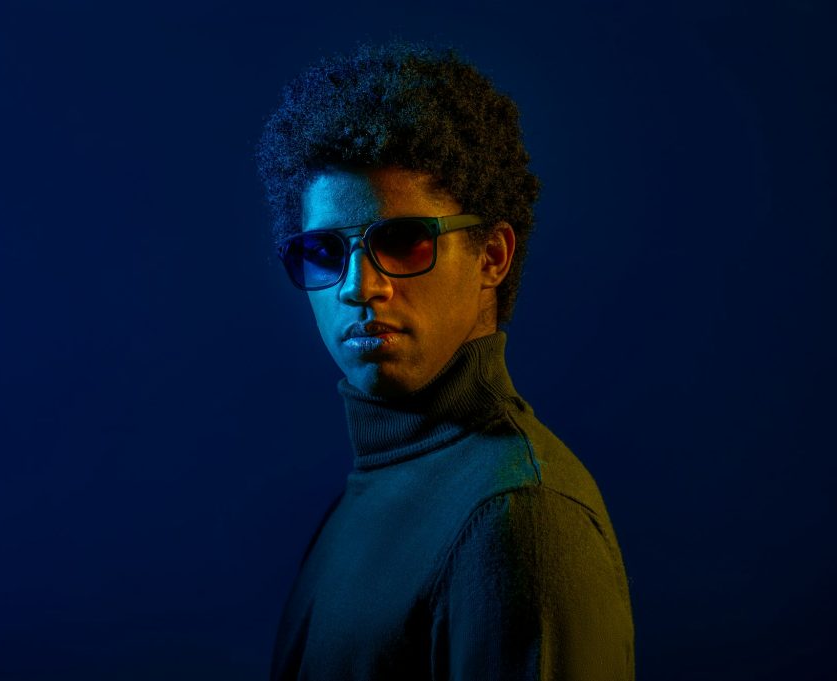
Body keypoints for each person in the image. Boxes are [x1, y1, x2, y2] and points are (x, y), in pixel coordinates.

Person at [256, 42, 634, 680]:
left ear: (492, 256)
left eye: (401, 241)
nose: (359, 287)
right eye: (324, 250)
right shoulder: (375, 487)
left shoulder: (522, 517)